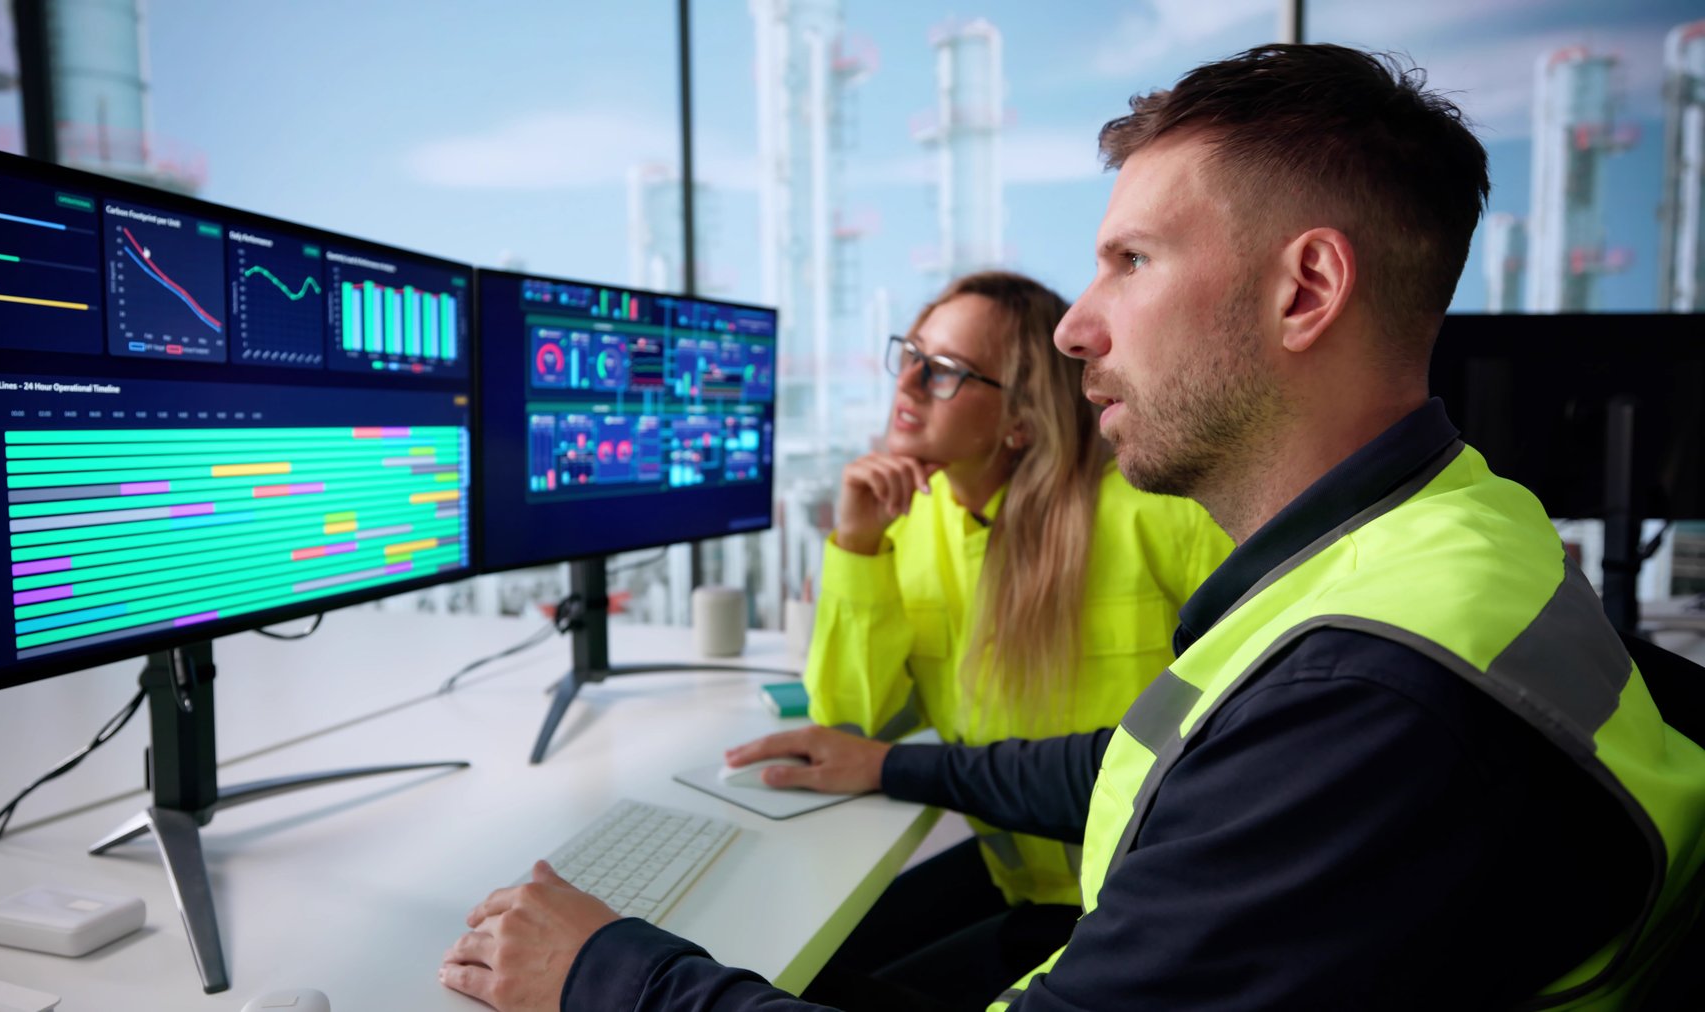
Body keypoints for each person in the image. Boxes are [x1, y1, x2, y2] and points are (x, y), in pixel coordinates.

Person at [440, 44, 1705, 1011]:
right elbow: (1157, 753)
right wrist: (896, 765)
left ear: (1306, 289)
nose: (1073, 327)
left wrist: (609, 976)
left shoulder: (1367, 692)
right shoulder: (1434, 534)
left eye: (1131, 262)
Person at [798, 270, 1230, 1008]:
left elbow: (1227, 753)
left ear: (1020, 421)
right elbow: (849, 724)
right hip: (1021, 884)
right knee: (797, 969)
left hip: (1145, 903)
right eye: (910, 354)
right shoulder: (911, 521)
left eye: (943, 370)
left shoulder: (1162, 516)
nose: (906, 384)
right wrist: (857, 544)